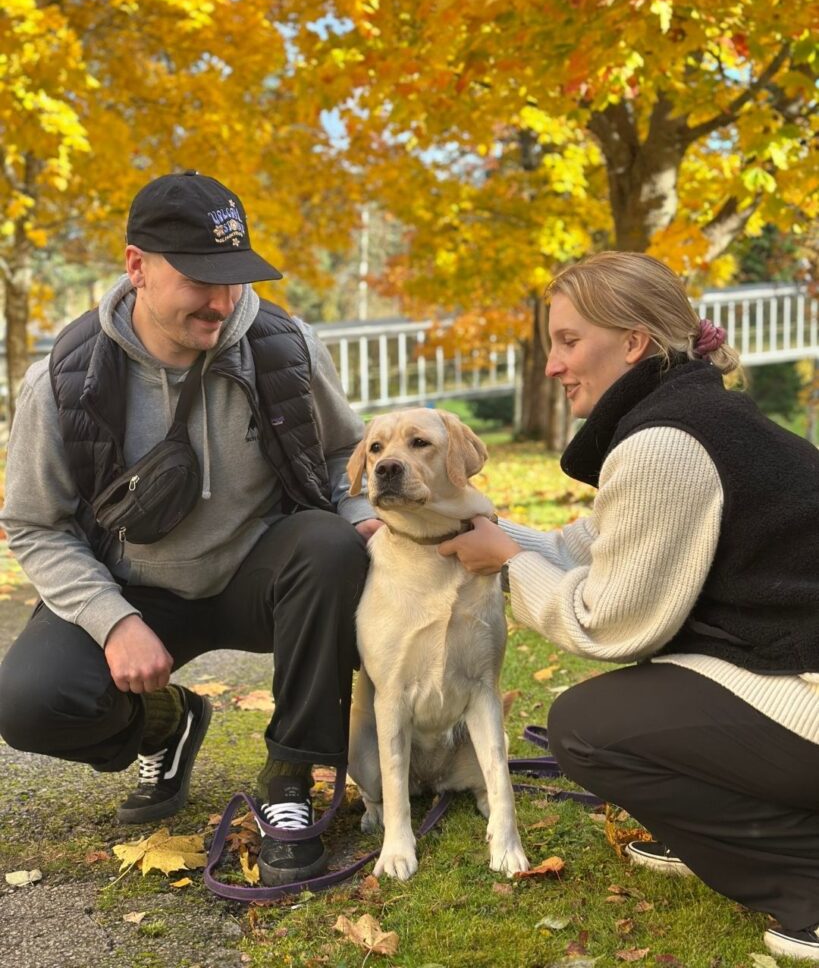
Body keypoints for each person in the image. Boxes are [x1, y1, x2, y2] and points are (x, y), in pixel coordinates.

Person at [0, 171, 381, 886]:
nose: (222, 301)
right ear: (137, 267)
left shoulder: (286, 347)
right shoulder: (61, 380)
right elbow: (34, 526)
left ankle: (291, 779)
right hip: (136, 590)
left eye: (234, 278)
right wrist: (113, 621)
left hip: (259, 576)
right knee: (29, 704)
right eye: (200, 280)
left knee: (330, 546)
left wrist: (361, 518)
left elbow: (344, 454)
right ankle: (168, 721)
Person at [439, 251, 819, 962]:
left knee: (589, 729)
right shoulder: (697, 415)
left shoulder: (665, 445)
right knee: (646, 699)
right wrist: (463, 530)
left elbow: (607, 623)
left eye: (568, 340)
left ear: (634, 342)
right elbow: (588, 546)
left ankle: (809, 883)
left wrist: (509, 562)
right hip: (792, 668)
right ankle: (709, 832)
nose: (553, 364)